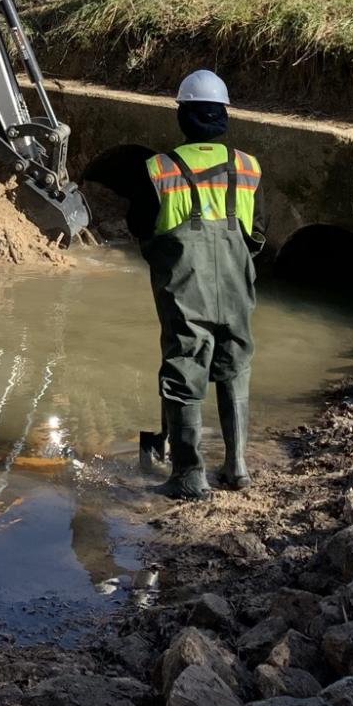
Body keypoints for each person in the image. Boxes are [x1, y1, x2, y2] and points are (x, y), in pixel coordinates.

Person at [126, 69, 265, 498]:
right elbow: (258, 232)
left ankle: (189, 475)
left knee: (184, 369)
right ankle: (237, 466)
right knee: (235, 365)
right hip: (236, 284)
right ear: (223, 116)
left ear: (183, 118)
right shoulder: (248, 166)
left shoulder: (158, 169)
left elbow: (139, 227)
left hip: (185, 289)